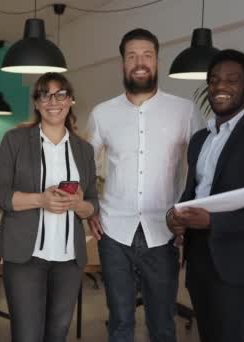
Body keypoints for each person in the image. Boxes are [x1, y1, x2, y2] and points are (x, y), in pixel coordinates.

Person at [85, 28, 205, 342]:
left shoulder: (185, 111)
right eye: (132, 56)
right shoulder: (102, 113)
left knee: (163, 324)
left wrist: (188, 215)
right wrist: (90, 207)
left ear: (157, 61)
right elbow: (83, 165)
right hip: (114, 232)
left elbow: (202, 169)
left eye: (147, 55)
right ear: (122, 63)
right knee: (120, 321)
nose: (140, 62)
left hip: (165, 231)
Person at [167, 49, 244, 342]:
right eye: (214, 80)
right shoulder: (200, 139)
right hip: (198, 257)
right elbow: (192, 191)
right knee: (209, 334)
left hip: (236, 260)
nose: (220, 87)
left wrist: (212, 221)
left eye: (232, 80)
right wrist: (176, 216)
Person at [0, 72, 99, 342]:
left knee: (57, 334)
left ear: (70, 100)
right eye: (45, 95)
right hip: (25, 257)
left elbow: (93, 204)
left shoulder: (83, 149)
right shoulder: (15, 140)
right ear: (36, 103)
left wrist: (79, 204)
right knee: (27, 335)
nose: (53, 101)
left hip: (69, 260)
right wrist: (41, 199)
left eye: (61, 94)